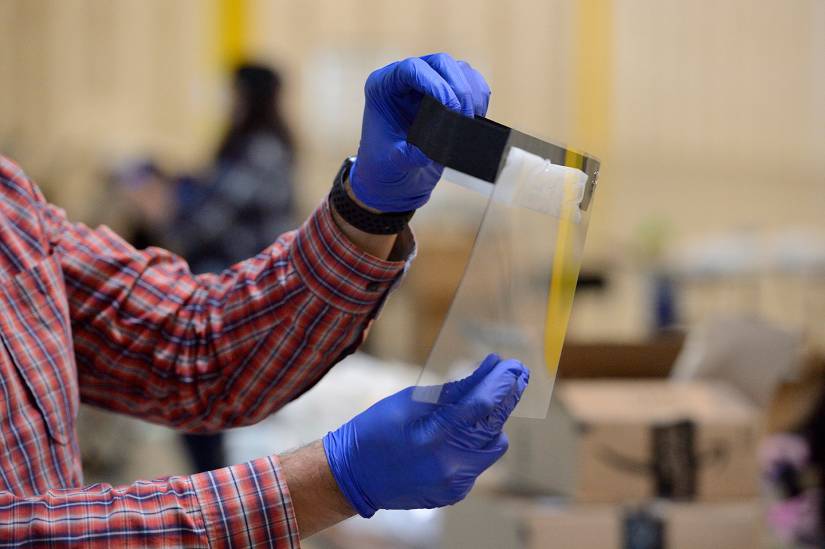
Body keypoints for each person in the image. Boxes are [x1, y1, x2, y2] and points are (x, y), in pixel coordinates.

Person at [0, 53, 529, 546]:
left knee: (212, 451)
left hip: (248, 282)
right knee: (209, 458)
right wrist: (327, 483)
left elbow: (195, 344)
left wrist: (370, 211)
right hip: (236, 275)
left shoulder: (9, 207)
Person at [172, 63, 298, 474]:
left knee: (201, 405)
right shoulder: (260, 145)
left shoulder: (260, 149)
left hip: (242, 292)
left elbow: (201, 225)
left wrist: (161, 205)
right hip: (236, 286)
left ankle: (214, 494)